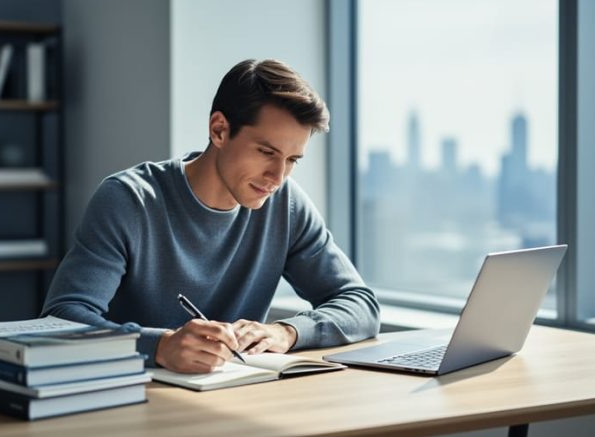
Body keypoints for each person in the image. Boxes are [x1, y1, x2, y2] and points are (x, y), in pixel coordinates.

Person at [41, 59, 380, 374]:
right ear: (219, 130)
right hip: (130, 396)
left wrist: (287, 331)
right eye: (266, 152)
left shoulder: (286, 205)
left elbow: (360, 305)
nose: (277, 178)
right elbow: (61, 319)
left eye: (292, 160)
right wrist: (158, 347)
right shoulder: (129, 200)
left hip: (232, 396)